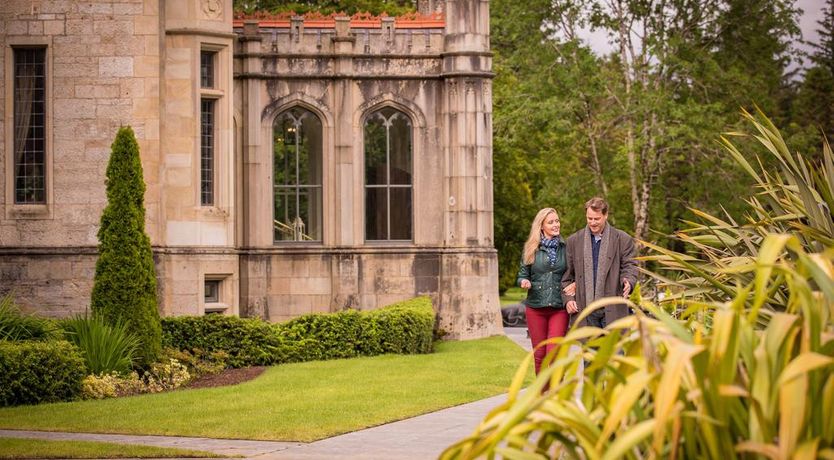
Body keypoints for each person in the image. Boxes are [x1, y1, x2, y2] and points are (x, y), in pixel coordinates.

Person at [561, 197, 638, 329]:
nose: (592, 222)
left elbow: (630, 266)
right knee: (590, 350)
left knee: (614, 350)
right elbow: (566, 276)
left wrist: (628, 281)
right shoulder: (573, 241)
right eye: (589, 218)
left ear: (606, 215)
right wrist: (568, 300)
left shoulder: (623, 239)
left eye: (597, 219)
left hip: (613, 309)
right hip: (585, 310)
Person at [516, 208, 575, 375]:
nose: (556, 225)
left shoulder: (567, 248)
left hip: (559, 307)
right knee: (540, 355)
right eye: (551, 222)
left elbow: (575, 272)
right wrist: (524, 281)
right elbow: (522, 275)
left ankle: (556, 395)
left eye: (557, 221)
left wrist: (575, 284)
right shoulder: (530, 248)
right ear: (541, 226)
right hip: (535, 307)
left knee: (554, 353)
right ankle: (543, 396)